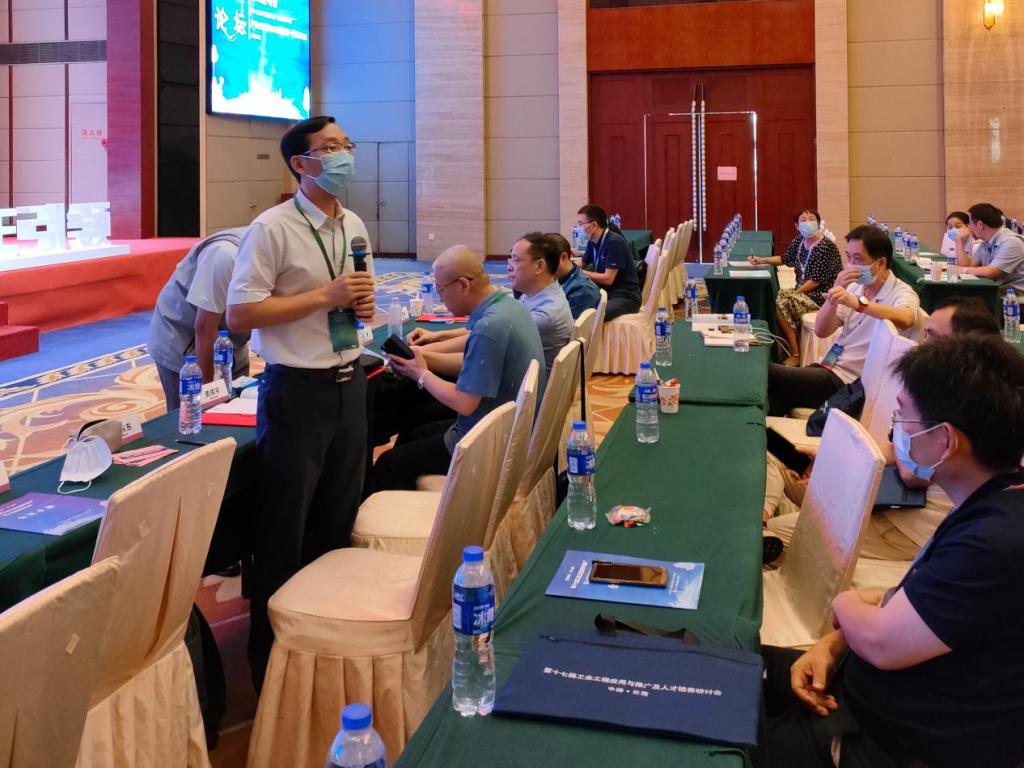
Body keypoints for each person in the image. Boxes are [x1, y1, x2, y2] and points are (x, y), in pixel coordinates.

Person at [760, 334, 1024, 768]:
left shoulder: (995, 543)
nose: (895, 429)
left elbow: (881, 640)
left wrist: (844, 604)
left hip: (883, 742)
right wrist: (833, 645)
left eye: (904, 417)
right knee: (726, 665)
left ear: (945, 441)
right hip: (856, 687)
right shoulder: (991, 501)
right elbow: (903, 603)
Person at [225, 115, 376, 688]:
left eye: (346, 144)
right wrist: (325, 296)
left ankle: (323, 639)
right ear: (300, 163)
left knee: (338, 517)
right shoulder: (271, 229)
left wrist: (359, 307)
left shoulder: (352, 223)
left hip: (351, 382)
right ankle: (272, 662)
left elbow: (357, 293)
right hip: (297, 391)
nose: (344, 155)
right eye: (330, 147)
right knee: (284, 528)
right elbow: (240, 314)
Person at [764, 295, 1000, 560]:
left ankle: (778, 526)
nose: (922, 344)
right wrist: (839, 460)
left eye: (933, 337)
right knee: (772, 453)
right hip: (876, 490)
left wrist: (896, 453)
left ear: (967, 344)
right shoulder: (931, 386)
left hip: (903, 521)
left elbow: (913, 474)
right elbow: (894, 448)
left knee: (778, 534)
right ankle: (766, 519)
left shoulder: (975, 406)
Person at [372, 245, 545, 491]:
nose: (440, 298)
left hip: (481, 441)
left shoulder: (489, 326)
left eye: (441, 290)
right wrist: (423, 358)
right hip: (507, 428)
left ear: (463, 285)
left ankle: (425, 513)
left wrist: (421, 373)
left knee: (387, 464)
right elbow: (474, 364)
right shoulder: (510, 306)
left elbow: (465, 403)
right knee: (415, 429)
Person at [766, 225, 919, 416]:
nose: (851, 265)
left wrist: (858, 304)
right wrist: (834, 295)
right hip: (828, 366)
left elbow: (906, 318)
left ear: (880, 263)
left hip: (848, 383)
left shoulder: (901, 292)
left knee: (765, 372)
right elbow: (822, 330)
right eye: (849, 257)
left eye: (858, 259)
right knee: (773, 396)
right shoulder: (855, 287)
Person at [147, 227, 251, 408]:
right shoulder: (224, 255)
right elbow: (204, 328)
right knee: (191, 414)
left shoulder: (280, 256)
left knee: (238, 407)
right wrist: (208, 395)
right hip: (183, 341)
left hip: (230, 342)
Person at [749, 209, 844, 366]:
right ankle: (785, 348)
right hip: (803, 292)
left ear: (818, 223)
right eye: (803, 220)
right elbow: (784, 259)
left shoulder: (826, 247)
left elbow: (815, 282)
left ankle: (795, 353)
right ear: (796, 226)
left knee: (782, 301)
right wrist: (762, 260)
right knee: (780, 297)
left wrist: (794, 293)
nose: (808, 223)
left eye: (812, 219)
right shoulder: (799, 241)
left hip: (822, 296)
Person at [508, 233, 574, 372]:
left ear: (539, 266)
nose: (509, 267)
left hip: (530, 383)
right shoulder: (536, 293)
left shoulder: (547, 315)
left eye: (516, 260)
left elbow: (488, 339)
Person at [577, 204, 641, 321]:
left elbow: (608, 278)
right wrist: (565, 267)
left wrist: (581, 273)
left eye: (581, 224)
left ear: (594, 225)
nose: (578, 228)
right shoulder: (593, 240)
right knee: (577, 306)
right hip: (606, 292)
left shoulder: (614, 242)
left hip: (625, 296)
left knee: (595, 316)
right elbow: (582, 262)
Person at [955, 202, 1024, 292]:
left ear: (980, 224)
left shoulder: (1011, 242)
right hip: (997, 290)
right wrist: (958, 240)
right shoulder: (986, 241)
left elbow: (991, 272)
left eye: (970, 224)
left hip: (1014, 296)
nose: (969, 228)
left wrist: (962, 270)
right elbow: (968, 264)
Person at [548, 232, 601, 318]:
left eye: (545, 261)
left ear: (563, 257)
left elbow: (564, 325)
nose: (540, 267)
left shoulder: (583, 290)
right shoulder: (560, 280)